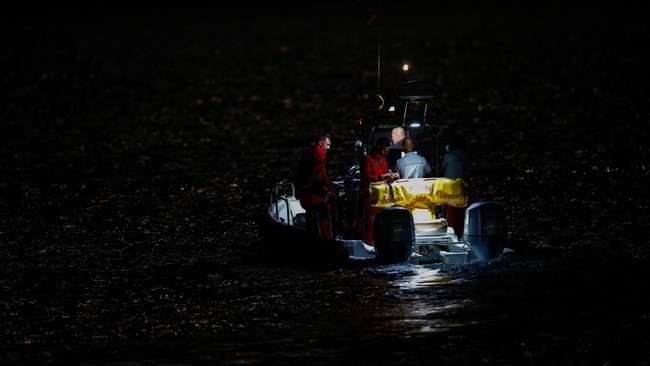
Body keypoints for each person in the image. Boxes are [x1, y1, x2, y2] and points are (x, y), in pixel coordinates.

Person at [360, 137, 399, 246]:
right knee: (371, 222)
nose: (387, 152)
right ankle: (368, 246)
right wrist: (382, 176)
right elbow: (366, 178)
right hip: (371, 196)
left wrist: (392, 177)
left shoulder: (384, 160)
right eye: (385, 149)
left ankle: (381, 245)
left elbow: (386, 177)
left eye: (388, 149)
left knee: (383, 221)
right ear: (379, 147)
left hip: (383, 196)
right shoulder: (368, 159)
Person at [296, 132, 337, 239]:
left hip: (306, 192)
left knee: (313, 215)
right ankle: (327, 238)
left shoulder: (308, 152)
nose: (329, 148)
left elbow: (320, 172)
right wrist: (309, 182)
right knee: (323, 214)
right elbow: (318, 171)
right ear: (320, 142)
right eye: (327, 145)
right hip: (313, 192)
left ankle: (311, 235)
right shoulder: (320, 153)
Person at [441, 133, 470, 239]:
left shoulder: (448, 156)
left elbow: (443, 167)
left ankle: (452, 235)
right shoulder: (466, 156)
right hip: (462, 188)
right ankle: (461, 234)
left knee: (451, 213)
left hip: (450, 189)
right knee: (461, 213)